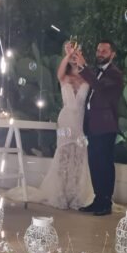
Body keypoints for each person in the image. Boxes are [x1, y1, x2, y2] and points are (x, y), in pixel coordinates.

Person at [38, 42, 94, 209]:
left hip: (81, 121)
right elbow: (60, 72)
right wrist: (68, 54)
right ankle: (60, 194)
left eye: (77, 54)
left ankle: (76, 195)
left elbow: (91, 76)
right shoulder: (64, 77)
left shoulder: (87, 78)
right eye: (72, 56)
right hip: (66, 120)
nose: (74, 57)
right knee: (63, 154)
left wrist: (81, 59)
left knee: (79, 156)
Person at [72, 40, 123, 216]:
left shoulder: (114, 74)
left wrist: (84, 67)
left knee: (104, 164)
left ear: (112, 54)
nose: (100, 53)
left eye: (104, 51)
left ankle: (106, 202)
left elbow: (100, 88)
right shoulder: (96, 72)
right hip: (93, 125)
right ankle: (98, 199)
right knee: (94, 164)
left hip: (106, 125)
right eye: (98, 50)